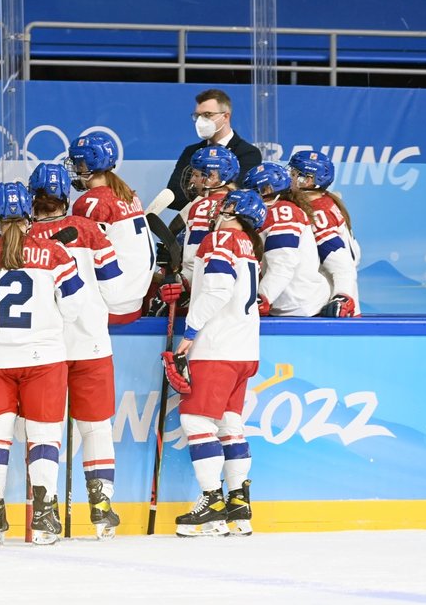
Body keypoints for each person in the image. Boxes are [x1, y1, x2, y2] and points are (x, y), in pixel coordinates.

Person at [0, 181, 85, 546]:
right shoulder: (55, 253)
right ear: (29, 215)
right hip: (43, 357)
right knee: (43, 438)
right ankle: (44, 515)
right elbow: (74, 308)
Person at [27, 163, 125, 539]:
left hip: (43, 349)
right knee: (96, 427)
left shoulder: (23, 237)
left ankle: (45, 510)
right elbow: (116, 293)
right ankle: (102, 508)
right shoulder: (90, 230)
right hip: (91, 343)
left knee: (45, 431)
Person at [163, 188, 265, 538]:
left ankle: (211, 502)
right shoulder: (249, 244)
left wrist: (190, 331)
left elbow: (219, 290)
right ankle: (239, 504)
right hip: (244, 348)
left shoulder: (221, 237)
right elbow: (223, 287)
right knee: (230, 424)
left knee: (195, 420)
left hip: (216, 347)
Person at [67, 133, 155, 324]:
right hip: (135, 302)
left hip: (110, 306)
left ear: (86, 166)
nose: (75, 168)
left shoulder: (90, 202)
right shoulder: (128, 194)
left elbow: (84, 260)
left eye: (77, 163)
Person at [242, 162, 331, 316]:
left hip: (296, 305)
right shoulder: (283, 208)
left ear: (267, 189)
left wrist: (262, 297)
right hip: (293, 301)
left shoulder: (282, 212)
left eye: (254, 191)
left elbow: (283, 265)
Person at [288, 150, 361, 317]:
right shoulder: (324, 202)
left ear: (307, 180)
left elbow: (343, 265)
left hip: (329, 309)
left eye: (293, 173)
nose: (288, 177)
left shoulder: (317, 213)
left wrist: (341, 298)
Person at [166, 89, 262, 211]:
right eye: (197, 116)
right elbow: (174, 197)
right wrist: (215, 192)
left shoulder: (248, 153)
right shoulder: (191, 152)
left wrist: (196, 192)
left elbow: (238, 196)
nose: (200, 121)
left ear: (226, 116)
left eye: (207, 115)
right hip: (192, 224)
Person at [179, 146, 241, 281]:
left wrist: (182, 282)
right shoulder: (243, 204)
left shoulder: (202, 207)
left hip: (209, 283)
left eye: (196, 175)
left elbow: (192, 260)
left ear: (213, 176)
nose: (192, 181)